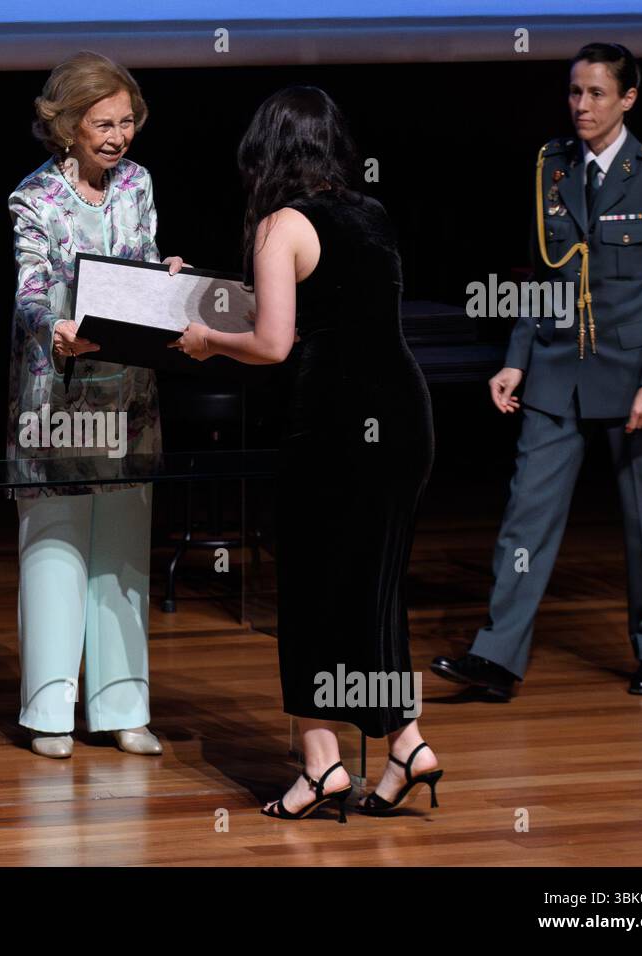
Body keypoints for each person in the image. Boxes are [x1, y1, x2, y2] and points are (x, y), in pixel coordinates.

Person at [171, 86, 440, 820]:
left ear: (268, 150)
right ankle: (407, 745)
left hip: (335, 424)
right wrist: (197, 290)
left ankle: (322, 766)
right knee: (374, 588)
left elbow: (271, 341)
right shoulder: (371, 212)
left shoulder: (279, 224)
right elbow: (311, 306)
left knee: (315, 595)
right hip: (404, 419)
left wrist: (204, 340)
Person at [431, 42, 642, 699]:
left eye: (597, 93)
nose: (581, 105)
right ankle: (496, 657)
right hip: (555, 367)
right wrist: (515, 360)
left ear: (627, 98)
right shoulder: (551, 165)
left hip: (634, 374)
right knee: (526, 517)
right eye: (574, 92)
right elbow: (540, 272)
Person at [7, 52, 187, 759]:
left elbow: (142, 262)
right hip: (59, 393)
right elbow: (28, 289)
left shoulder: (138, 183)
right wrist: (50, 327)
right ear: (66, 126)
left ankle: (122, 706)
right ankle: (50, 710)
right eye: (103, 124)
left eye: (127, 122)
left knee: (121, 556)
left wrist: (167, 278)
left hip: (129, 394)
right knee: (54, 550)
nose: (119, 136)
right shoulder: (35, 199)